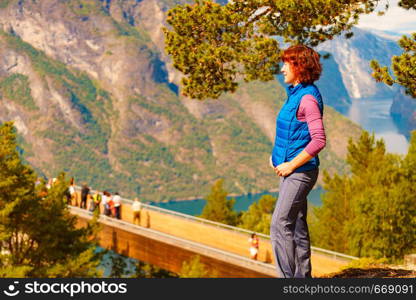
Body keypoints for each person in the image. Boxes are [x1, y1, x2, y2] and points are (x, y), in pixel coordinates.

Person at [269, 45, 326, 278]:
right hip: (290, 171)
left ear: (299, 67)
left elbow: (319, 140)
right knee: (297, 225)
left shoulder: (307, 99)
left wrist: (291, 164)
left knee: (279, 224)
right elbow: (292, 133)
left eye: (286, 64)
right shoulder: (295, 94)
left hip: (299, 173)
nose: (282, 69)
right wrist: (276, 156)